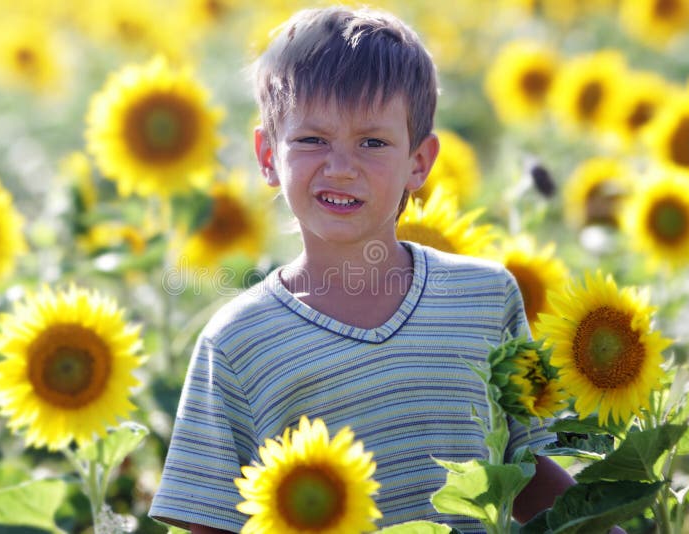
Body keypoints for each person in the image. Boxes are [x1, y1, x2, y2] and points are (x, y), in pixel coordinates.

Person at [149, 6, 578, 533]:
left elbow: (526, 471)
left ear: (419, 162)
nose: (341, 166)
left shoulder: (485, 299)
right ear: (267, 154)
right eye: (312, 140)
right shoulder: (237, 344)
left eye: (372, 142)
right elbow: (207, 523)